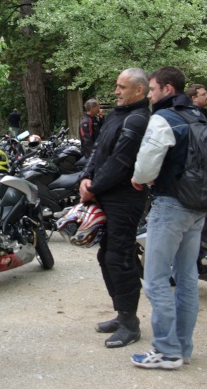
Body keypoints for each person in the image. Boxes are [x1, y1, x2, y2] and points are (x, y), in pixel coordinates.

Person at [129, 67, 207, 370]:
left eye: (152, 89)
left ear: (168, 89)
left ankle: (166, 351)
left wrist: (139, 178)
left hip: (171, 204)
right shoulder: (200, 115)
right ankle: (182, 348)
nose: (149, 95)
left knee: (156, 280)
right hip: (198, 206)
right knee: (187, 279)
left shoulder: (163, 118)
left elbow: (147, 165)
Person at [79, 69, 150, 349]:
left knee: (119, 257)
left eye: (122, 87)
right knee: (105, 255)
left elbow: (121, 161)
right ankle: (122, 314)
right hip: (105, 193)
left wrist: (93, 188)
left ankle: (130, 323)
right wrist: (85, 177)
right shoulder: (118, 114)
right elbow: (97, 150)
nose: (117, 91)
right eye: (117, 86)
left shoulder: (139, 119)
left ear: (139, 91)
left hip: (124, 198)